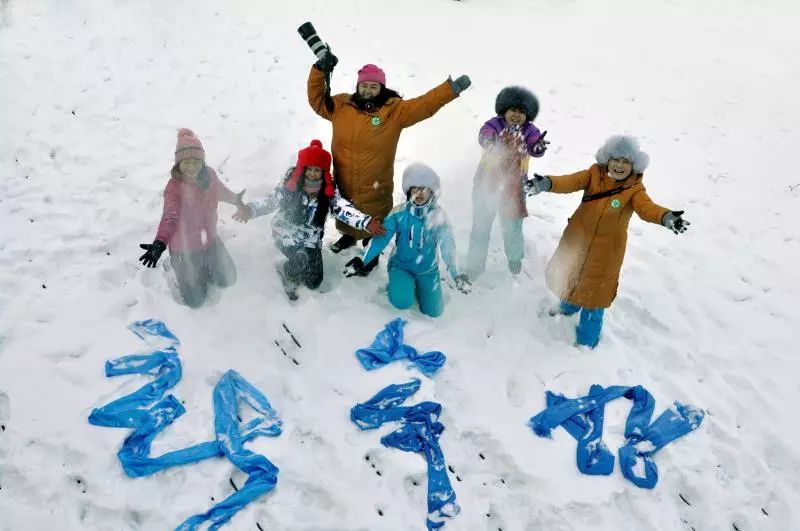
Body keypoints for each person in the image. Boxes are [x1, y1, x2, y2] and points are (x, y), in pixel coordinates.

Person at [308, 49, 472, 272]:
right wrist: (320, 70)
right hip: (345, 177)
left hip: (376, 183)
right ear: (357, 86)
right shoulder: (341, 106)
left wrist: (449, 90)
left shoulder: (394, 111)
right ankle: (349, 237)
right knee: (347, 210)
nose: (368, 90)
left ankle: (371, 253)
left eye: (373, 86)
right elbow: (317, 100)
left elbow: (424, 105)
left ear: (381, 88)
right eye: (364, 85)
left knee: (374, 219)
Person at [527, 135, 690, 348]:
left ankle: (586, 340)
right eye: (616, 159)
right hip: (578, 239)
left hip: (605, 252)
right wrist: (546, 183)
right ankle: (568, 307)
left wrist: (666, 217)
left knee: (595, 294)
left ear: (634, 165)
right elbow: (570, 181)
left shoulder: (634, 190)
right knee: (572, 274)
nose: (620, 166)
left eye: (626, 161)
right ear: (607, 159)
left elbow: (647, 208)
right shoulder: (594, 174)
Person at [233, 140, 383, 300]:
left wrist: (366, 222)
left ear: (323, 172)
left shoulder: (328, 190)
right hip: (286, 236)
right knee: (300, 259)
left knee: (314, 281)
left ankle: (301, 261)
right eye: (309, 169)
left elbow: (342, 208)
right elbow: (272, 200)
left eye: (317, 170)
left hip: (311, 241)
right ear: (303, 168)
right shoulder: (290, 185)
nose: (312, 173)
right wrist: (250, 210)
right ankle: (287, 270)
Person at [138, 129, 247, 308]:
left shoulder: (210, 175)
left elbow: (219, 191)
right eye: (186, 162)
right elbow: (169, 218)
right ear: (178, 164)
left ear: (202, 162)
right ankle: (179, 267)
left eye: (196, 161)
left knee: (228, 280)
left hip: (210, 242)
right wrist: (160, 242)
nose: (192, 166)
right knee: (195, 301)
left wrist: (235, 199)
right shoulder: (174, 188)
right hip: (185, 250)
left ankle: (204, 265)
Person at [345, 163, 470, 318]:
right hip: (401, 266)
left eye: (424, 188)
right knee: (402, 301)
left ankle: (420, 286)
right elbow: (381, 239)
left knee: (434, 312)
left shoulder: (439, 217)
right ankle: (400, 284)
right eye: (415, 188)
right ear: (409, 191)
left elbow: (448, 246)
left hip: (427, 269)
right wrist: (362, 260)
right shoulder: (399, 213)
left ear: (432, 191)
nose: (419, 193)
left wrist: (457, 274)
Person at [466, 85, 549, 276]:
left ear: (527, 115)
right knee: (481, 225)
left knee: (512, 226)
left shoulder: (529, 130)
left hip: (514, 188)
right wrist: (489, 141)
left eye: (521, 112)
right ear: (504, 110)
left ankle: (514, 257)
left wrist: (538, 146)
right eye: (513, 110)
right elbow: (485, 132)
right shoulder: (496, 124)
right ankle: (475, 264)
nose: (516, 115)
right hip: (487, 183)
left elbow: (534, 146)